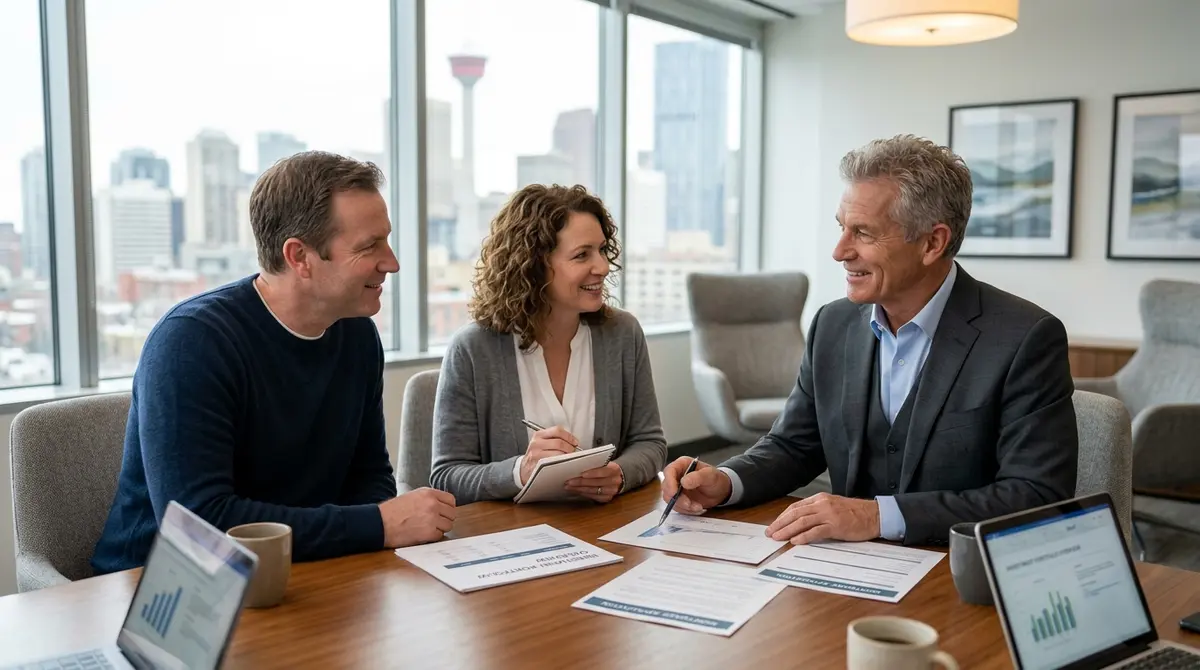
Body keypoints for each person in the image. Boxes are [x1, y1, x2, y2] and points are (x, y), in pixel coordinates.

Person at [662, 134, 1078, 547]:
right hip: (846, 569)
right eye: (842, 227)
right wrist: (727, 480)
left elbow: (1037, 496)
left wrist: (879, 516)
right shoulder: (832, 324)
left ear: (933, 242)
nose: (840, 250)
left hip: (955, 573)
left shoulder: (1024, 338)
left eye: (863, 233)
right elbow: (795, 445)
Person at [92, 151, 456, 574]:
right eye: (369, 246)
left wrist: (368, 530)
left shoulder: (356, 332)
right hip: (160, 590)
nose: (391, 262)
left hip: (302, 571)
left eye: (386, 239)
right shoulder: (191, 342)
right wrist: (375, 526)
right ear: (299, 256)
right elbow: (198, 526)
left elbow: (369, 475)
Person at [430, 184, 667, 506]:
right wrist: (521, 471)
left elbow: (650, 443)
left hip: (604, 525)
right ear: (533, 263)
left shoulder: (623, 334)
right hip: (512, 538)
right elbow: (447, 477)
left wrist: (620, 473)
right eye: (582, 254)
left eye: (601, 250)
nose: (603, 266)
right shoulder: (473, 349)